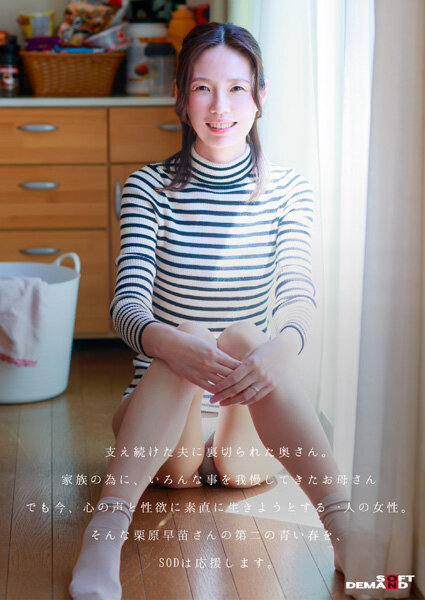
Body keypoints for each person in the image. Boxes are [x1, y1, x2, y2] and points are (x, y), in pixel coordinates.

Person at [69, 21, 352, 600]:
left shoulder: (290, 191)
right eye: (202, 88)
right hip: (158, 428)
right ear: (180, 95)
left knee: (247, 337)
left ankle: (347, 529)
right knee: (192, 334)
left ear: (261, 96)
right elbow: (127, 304)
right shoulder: (147, 188)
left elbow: (299, 296)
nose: (220, 107)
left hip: (241, 428)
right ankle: (105, 534)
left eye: (236, 89)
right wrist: (174, 343)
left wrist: (281, 347)